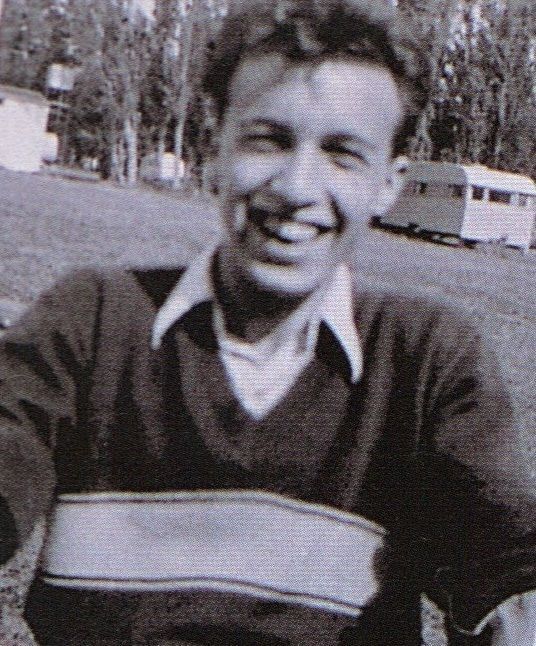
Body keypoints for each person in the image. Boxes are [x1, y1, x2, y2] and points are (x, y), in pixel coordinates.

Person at [0, 1, 535, 644]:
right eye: (268, 138)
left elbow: (498, 546)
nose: (296, 187)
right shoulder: (90, 321)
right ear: (212, 146)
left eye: (343, 153)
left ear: (389, 184)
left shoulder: (426, 360)